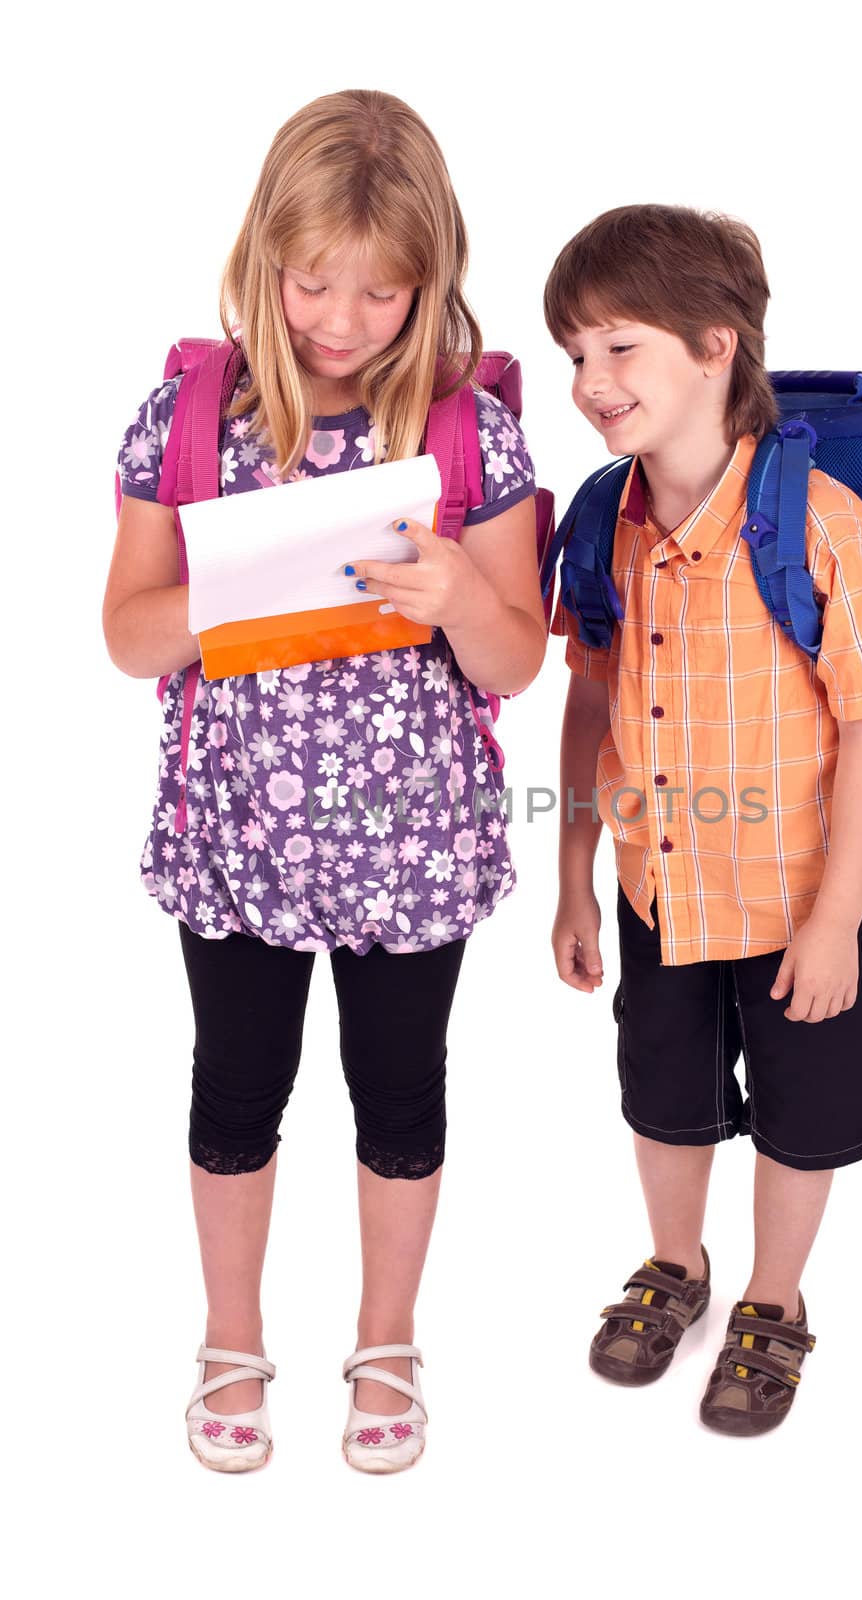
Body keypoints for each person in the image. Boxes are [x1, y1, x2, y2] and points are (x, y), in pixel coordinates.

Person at [104, 89, 545, 1474]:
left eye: (381, 290)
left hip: (410, 845)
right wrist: (230, 590)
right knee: (234, 1092)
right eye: (311, 285)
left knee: (399, 1093)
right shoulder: (190, 420)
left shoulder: (470, 434)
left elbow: (517, 661)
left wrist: (458, 586)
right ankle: (230, 1339)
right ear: (263, 261)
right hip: (236, 836)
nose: (342, 321)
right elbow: (126, 635)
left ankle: (387, 1339)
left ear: (430, 280)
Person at [545, 205, 862, 1435]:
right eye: (575, 355)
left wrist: (835, 917)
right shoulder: (604, 521)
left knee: (799, 1114)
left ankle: (772, 1296)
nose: (591, 382)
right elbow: (588, 700)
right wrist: (574, 875)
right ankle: (677, 1265)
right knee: (663, 1092)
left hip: (799, 892)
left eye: (618, 348)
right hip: (660, 884)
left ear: (714, 346)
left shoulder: (813, 522)